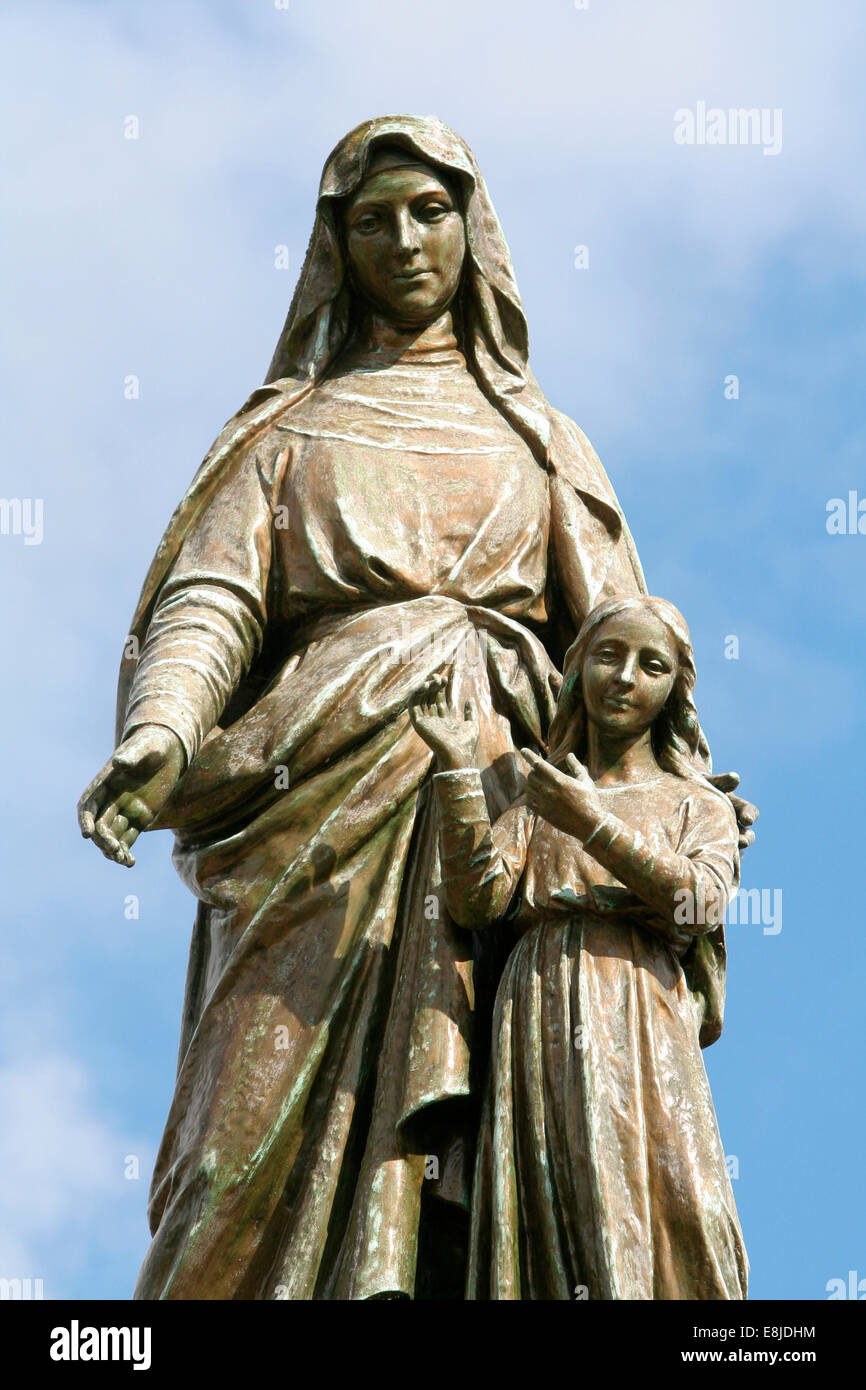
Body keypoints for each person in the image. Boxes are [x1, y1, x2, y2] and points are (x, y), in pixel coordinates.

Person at [76, 115, 752, 1300]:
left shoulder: (539, 443)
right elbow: (212, 601)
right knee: (238, 1157)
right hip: (312, 810)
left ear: (470, 232)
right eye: (372, 216)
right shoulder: (285, 436)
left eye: (428, 211)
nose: (402, 239)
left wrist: (666, 814)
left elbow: (624, 646)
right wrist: (163, 730)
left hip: (494, 823)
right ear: (336, 242)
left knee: (506, 1163)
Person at [410, 595, 749, 1299]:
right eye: (607, 655)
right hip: (540, 1008)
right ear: (577, 671)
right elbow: (478, 899)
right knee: (565, 1186)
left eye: (650, 665)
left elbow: (699, 902)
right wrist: (455, 771)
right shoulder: (542, 795)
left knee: (682, 1201)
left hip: (641, 1008)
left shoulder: (695, 804)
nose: (624, 677)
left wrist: (591, 823)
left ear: (672, 692)